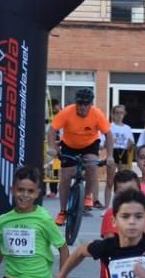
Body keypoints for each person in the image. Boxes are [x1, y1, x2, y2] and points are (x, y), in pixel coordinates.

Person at [47, 88, 115, 225]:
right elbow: (52, 130)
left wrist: (110, 156)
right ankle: (62, 211)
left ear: (91, 104)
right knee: (66, 176)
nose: (83, 107)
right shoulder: (66, 112)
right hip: (69, 145)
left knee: (92, 165)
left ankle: (88, 196)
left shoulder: (97, 114)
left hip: (90, 144)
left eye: (86, 104)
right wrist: (51, 147)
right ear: (76, 103)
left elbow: (108, 135)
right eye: (80, 104)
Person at [104, 104, 135, 212]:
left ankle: (121, 205)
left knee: (122, 181)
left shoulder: (127, 128)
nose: (119, 115)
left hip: (124, 153)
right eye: (117, 113)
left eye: (121, 113)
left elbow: (131, 143)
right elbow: (104, 142)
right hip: (113, 152)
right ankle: (106, 207)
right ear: (113, 114)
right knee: (109, 181)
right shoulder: (109, 126)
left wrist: (130, 144)